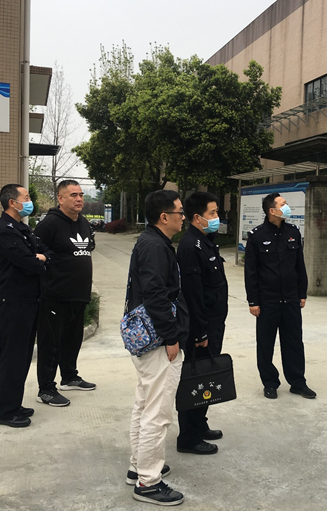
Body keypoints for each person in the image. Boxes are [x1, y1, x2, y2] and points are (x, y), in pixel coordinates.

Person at [125, 190, 188, 506]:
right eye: (179, 212)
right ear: (164, 217)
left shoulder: (152, 242)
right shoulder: (154, 247)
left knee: (144, 403)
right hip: (158, 341)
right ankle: (148, 482)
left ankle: (138, 466)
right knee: (157, 412)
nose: (183, 217)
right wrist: (171, 337)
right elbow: (155, 295)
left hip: (151, 341)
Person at [0, 184, 53, 427]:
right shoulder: (4, 231)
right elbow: (30, 263)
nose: (29, 201)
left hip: (28, 300)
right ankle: (5, 412)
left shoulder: (22, 228)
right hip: (13, 302)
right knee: (13, 358)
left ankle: (14, 403)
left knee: (23, 357)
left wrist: (41, 257)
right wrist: (39, 259)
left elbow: (46, 253)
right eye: (25, 197)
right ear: (12, 202)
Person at [244, 192, 315, 400]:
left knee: (294, 343)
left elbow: (299, 266)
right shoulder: (256, 236)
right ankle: (270, 382)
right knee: (265, 344)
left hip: (291, 299)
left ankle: (297, 382)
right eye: (283, 204)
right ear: (272, 210)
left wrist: (302, 293)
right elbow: (251, 272)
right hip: (267, 301)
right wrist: (253, 301)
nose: (287, 207)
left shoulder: (293, 232)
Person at [34, 180, 96, 407]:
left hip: (78, 293)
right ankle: (46, 389)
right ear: (60, 198)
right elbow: (35, 254)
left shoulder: (84, 222)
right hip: (55, 295)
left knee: (73, 340)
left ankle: (69, 377)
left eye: (81, 195)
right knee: (51, 344)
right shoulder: (49, 224)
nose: (79, 199)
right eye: (73, 195)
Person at [176, 192, 228, 455]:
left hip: (213, 324)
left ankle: (200, 423)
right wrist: (199, 332)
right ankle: (189, 436)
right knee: (195, 379)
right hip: (202, 328)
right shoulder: (190, 246)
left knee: (206, 376)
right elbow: (192, 295)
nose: (217, 217)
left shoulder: (205, 241)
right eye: (213, 213)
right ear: (197, 218)